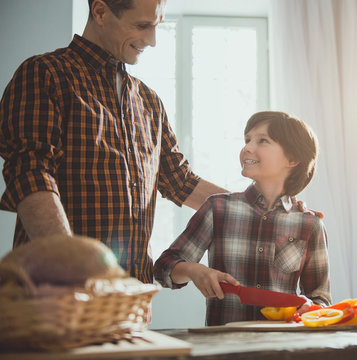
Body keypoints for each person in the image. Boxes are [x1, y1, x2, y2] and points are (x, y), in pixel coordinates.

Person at [0, 0, 227, 283]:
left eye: (156, 27)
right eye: (142, 25)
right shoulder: (46, 73)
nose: (152, 41)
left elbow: (181, 181)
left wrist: (258, 207)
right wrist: (71, 267)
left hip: (132, 298)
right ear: (100, 12)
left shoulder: (149, 102)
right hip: (56, 294)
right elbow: (31, 174)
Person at [154, 111, 331, 326]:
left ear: (292, 159)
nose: (247, 148)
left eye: (262, 141)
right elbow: (164, 267)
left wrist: (312, 308)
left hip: (283, 349)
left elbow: (320, 298)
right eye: (247, 140)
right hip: (224, 348)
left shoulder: (310, 224)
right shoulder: (217, 208)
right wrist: (193, 270)